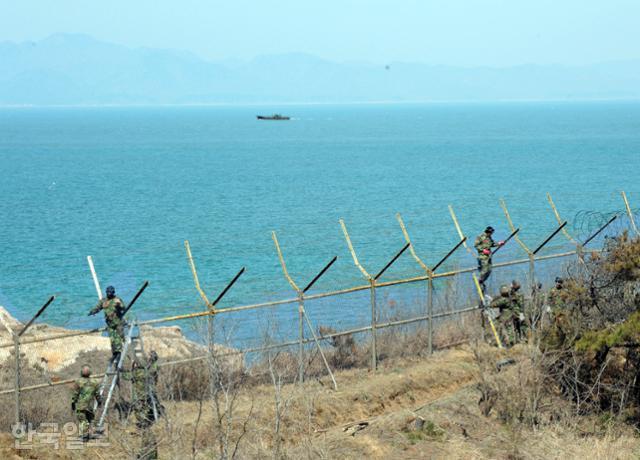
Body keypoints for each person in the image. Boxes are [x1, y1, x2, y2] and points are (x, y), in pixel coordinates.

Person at [123, 351, 161, 459]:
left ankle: (144, 426)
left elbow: (125, 376)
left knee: (140, 416)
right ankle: (146, 424)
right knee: (146, 411)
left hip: (139, 399)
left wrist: (121, 369)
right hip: (147, 396)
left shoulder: (137, 373)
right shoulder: (147, 371)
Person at [89, 286, 126, 362]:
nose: (109, 294)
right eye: (108, 292)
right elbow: (98, 307)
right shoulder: (104, 301)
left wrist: (119, 306)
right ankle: (115, 354)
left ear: (113, 293)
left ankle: (119, 354)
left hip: (118, 323)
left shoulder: (117, 300)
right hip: (110, 324)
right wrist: (92, 312)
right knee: (112, 340)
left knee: (118, 339)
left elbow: (123, 307)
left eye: (110, 292)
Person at [71, 365, 102, 439]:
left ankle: (84, 436)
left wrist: (73, 402)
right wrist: (99, 401)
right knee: (91, 420)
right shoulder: (95, 382)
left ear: (81, 372)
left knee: (82, 420)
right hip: (90, 406)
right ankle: (91, 434)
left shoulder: (78, 382)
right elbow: (97, 394)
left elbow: (75, 394)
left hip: (81, 406)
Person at [474, 226, 505, 291]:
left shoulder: (489, 237)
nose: (492, 234)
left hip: (489, 256)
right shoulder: (480, 237)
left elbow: (492, 244)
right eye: (491, 233)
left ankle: (482, 281)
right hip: (483, 256)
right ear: (489, 232)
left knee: (489, 270)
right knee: (484, 270)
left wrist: (499, 243)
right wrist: (483, 250)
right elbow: (476, 246)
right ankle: (479, 281)